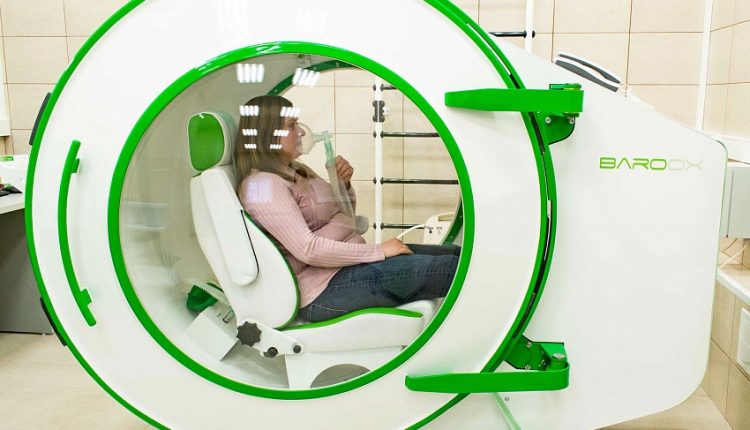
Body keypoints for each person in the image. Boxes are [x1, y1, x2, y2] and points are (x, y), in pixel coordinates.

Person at [234, 95, 459, 323]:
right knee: (452, 268)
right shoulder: (264, 185)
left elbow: (345, 215)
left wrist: (343, 185)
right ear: (268, 135)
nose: (301, 132)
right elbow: (309, 249)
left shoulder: (297, 170)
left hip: (345, 266)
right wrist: (379, 251)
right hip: (322, 289)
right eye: (291, 126)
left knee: (457, 254)